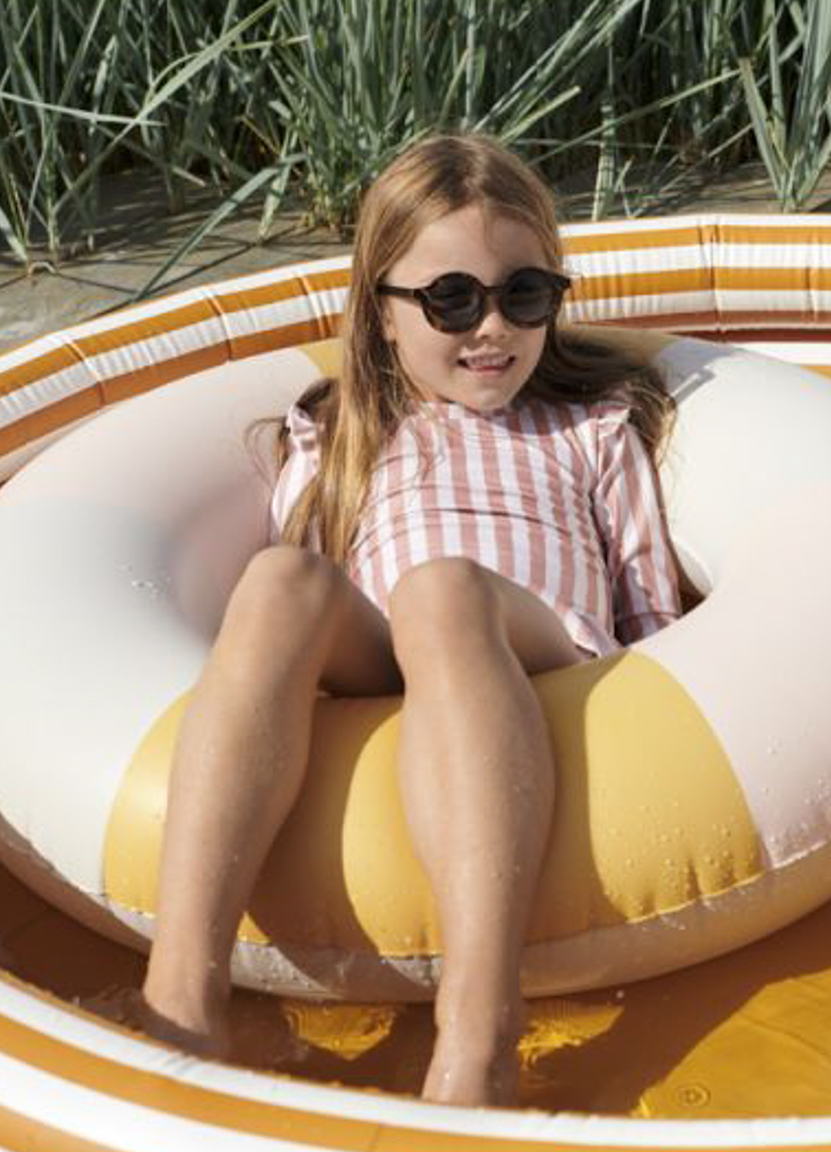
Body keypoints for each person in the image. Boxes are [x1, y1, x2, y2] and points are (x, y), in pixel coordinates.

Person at [139, 133, 680, 1103]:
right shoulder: (337, 429)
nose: (491, 328)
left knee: (441, 588)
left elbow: (654, 621)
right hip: (390, 655)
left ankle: (480, 1024)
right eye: (451, 300)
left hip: (541, 649)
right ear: (382, 313)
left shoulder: (591, 427)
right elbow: (303, 614)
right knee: (278, 579)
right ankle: (182, 995)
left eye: (524, 295)